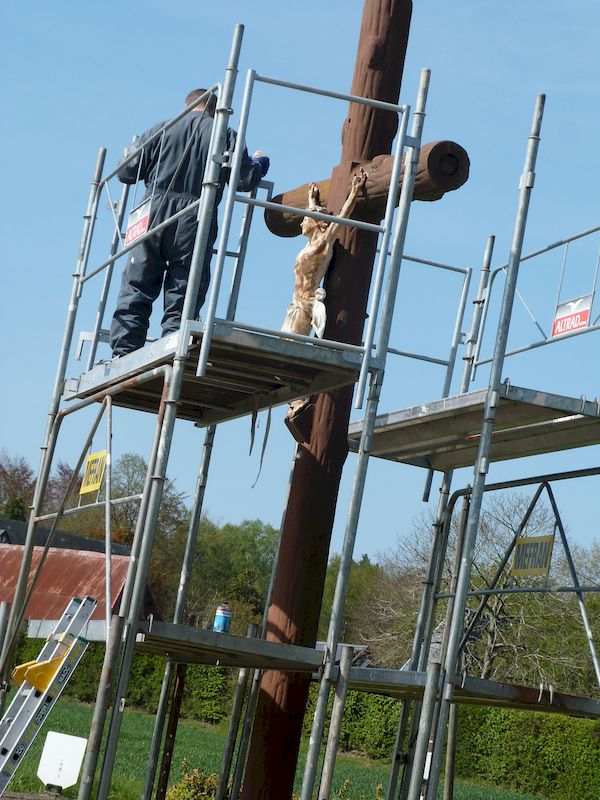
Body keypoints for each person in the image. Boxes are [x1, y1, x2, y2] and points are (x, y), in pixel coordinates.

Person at [109, 89, 269, 358]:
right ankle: (172, 348)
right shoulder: (224, 134)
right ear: (215, 110)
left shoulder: (162, 129)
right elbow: (244, 179)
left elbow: (126, 171)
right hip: (196, 216)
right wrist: (260, 163)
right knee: (184, 286)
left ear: (187, 106)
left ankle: (123, 352)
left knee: (137, 284)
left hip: (151, 214)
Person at [281, 169, 367, 339]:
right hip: (294, 303)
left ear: (315, 223)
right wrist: (311, 200)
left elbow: (343, 216)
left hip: (306, 305)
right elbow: (312, 214)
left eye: (305, 221)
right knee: (283, 341)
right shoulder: (309, 245)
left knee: (293, 344)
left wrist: (355, 192)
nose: (301, 225)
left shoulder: (324, 243)